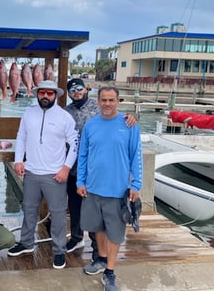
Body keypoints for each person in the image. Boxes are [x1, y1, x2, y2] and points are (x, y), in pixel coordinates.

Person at [77, 86, 142, 291]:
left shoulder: (129, 124)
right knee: (97, 227)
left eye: (111, 100)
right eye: (103, 100)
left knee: (115, 233)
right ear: (98, 101)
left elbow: (136, 156)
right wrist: (80, 181)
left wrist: (136, 184)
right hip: (93, 189)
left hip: (118, 191)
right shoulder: (90, 125)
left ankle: (110, 272)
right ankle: (101, 259)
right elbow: (83, 155)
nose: (107, 104)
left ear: (118, 101)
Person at [8, 80, 78, 269]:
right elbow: (21, 137)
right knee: (29, 210)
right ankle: (26, 243)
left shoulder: (65, 117)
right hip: (31, 171)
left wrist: (66, 168)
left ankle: (59, 251)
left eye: (49, 93)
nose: (45, 96)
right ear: (37, 94)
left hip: (55, 175)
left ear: (55, 95)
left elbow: (75, 144)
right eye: (42, 93)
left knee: (58, 215)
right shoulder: (28, 113)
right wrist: (18, 160)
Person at [64, 78, 136, 260]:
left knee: (100, 217)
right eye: (72, 90)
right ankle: (76, 237)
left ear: (86, 89)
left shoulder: (99, 108)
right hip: (75, 168)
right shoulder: (66, 112)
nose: (76, 92)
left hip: (98, 174)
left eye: (79, 88)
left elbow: (117, 117)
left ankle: (98, 251)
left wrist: (132, 116)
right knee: (75, 208)